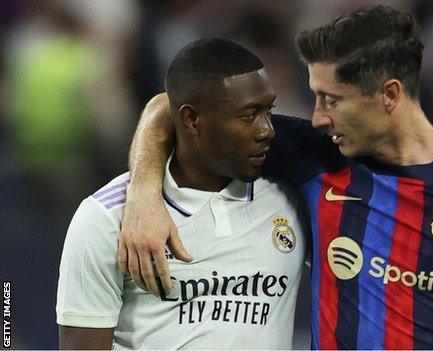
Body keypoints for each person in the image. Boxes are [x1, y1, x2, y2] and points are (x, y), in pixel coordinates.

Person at [118, 7, 433, 350]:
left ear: (390, 95)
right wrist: (142, 196)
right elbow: (167, 108)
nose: (317, 116)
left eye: (332, 100)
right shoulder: (315, 156)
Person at [56, 39, 308, 349]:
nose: (267, 129)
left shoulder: (291, 197)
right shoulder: (107, 217)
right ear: (191, 120)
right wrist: (145, 194)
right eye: (248, 115)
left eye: (268, 111)